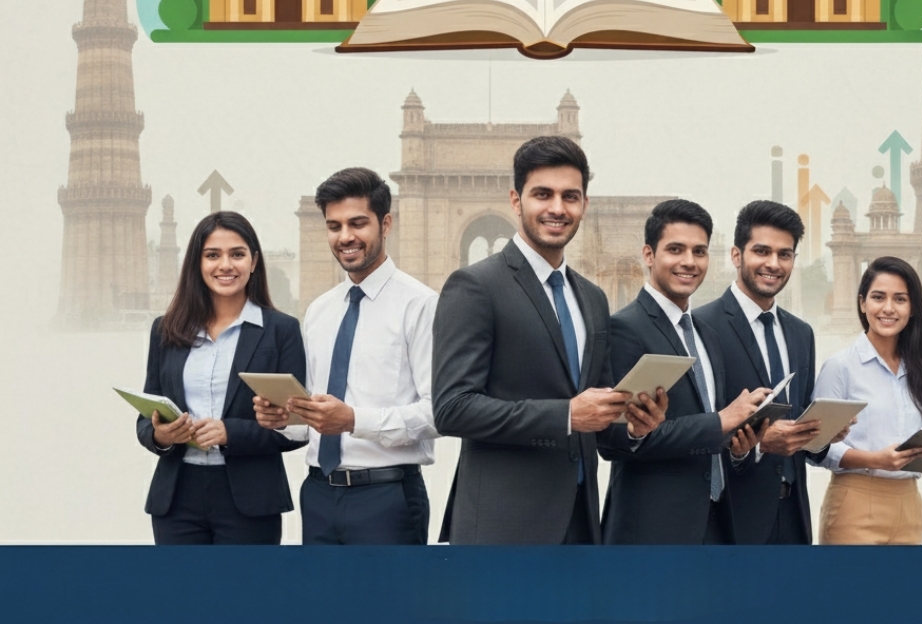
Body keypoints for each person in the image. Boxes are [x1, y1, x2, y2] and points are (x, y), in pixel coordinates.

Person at [432, 135, 667, 544]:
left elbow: (598, 418)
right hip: (500, 528)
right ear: (515, 200)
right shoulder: (474, 286)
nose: (558, 208)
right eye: (543, 194)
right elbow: (452, 408)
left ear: (584, 205)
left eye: (570, 196)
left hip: (580, 523)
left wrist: (634, 424)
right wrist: (565, 415)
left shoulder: (592, 299)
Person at [254, 167, 437, 544]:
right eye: (334, 226)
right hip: (318, 494)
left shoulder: (420, 306)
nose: (345, 237)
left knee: (389, 605)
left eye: (357, 223)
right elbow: (314, 419)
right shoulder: (321, 310)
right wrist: (283, 418)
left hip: (387, 499)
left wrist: (354, 420)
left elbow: (439, 412)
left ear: (386, 224)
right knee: (322, 605)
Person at [601, 199, 771, 544]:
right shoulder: (624, 329)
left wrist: (738, 445)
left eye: (699, 251)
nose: (689, 262)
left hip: (717, 523)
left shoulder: (707, 334)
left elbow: (710, 430)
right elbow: (614, 441)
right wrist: (721, 420)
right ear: (648, 255)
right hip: (652, 531)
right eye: (675, 249)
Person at [136, 211, 305, 544]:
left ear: (254, 262)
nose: (225, 265)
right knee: (181, 596)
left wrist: (231, 432)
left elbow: (298, 429)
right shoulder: (165, 330)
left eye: (237, 254)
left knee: (245, 596)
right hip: (175, 498)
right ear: (197, 264)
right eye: (212, 255)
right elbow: (145, 421)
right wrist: (162, 435)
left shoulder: (281, 331)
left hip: (251, 498)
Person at [694, 199, 841, 544]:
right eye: (762, 251)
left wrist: (823, 434)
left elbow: (800, 421)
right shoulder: (701, 326)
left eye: (784, 254)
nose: (773, 264)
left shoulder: (800, 332)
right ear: (736, 255)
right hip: (728, 517)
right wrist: (755, 445)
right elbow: (691, 430)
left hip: (792, 514)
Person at [812, 256, 922, 544]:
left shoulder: (919, 368)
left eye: (900, 299)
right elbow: (815, 445)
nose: (888, 308)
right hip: (855, 500)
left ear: (912, 307)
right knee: (852, 589)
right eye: (878, 297)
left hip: (909, 502)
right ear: (862, 303)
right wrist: (875, 459)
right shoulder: (841, 367)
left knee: (903, 590)